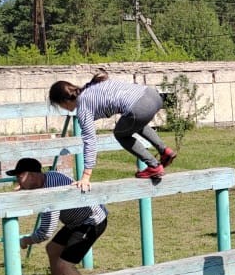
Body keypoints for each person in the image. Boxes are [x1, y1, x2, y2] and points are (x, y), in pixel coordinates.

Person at [7, 157, 109, 275]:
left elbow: (46, 231)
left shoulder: (51, 192)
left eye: (20, 176)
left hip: (91, 221)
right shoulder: (47, 178)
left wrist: (26, 241)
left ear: (31, 175)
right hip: (76, 221)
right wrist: (22, 188)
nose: (17, 180)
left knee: (64, 264)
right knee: (53, 249)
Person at [48, 73, 176, 190]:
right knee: (132, 122)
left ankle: (154, 166)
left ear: (64, 101)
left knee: (120, 134)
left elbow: (90, 141)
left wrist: (86, 176)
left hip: (139, 106)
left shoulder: (83, 107)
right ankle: (165, 151)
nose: (63, 109)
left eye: (60, 106)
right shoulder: (91, 87)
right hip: (152, 95)